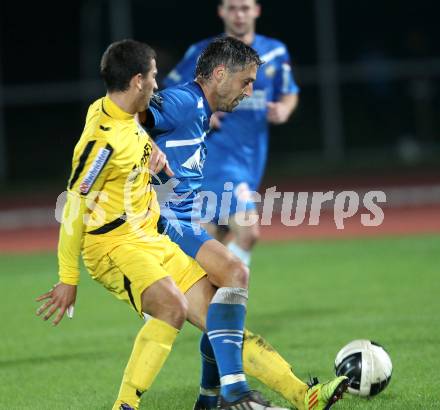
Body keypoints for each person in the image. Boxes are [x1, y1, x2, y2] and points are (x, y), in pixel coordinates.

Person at [35, 39, 293, 410]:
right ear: (139, 81)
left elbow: (133, 126)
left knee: (218, 308)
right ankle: (135, 403)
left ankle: (261, 396)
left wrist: (152, 155)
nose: (159, 84)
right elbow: (74, 204)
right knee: (174, 306)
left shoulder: (117, 117)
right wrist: (67, 278)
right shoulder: (103, 140)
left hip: (147, 233)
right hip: (114, 242)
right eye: (154, 76)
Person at [144, 37, 348, 410]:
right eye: (246, 82)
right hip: (156, 230)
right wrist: (143, 142)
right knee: (231, 287)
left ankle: (213, 399)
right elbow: (125, 111)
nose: (251, 90)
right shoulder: (183, 101)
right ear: (220, 74)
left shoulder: (201, 111)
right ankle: (263, 395)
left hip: (178, 224)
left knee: (222, 312)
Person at [163, 0, 299, 267]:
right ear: (221, 11)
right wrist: (201, 110)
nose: (239, 14)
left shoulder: (274, 52)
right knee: (248, 232)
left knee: (214, 239)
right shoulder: (203, 53)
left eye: (245, 8)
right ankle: (230, 294)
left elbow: (289, 91)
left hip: (251, 159)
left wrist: (284, 109)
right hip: (216, 157)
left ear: (257, 11)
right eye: (232, 8)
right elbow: (169, 93)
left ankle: (195, 301)